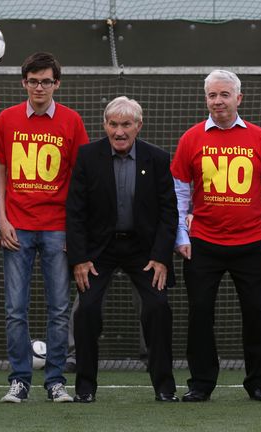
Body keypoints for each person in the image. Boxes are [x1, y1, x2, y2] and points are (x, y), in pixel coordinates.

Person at [171, 70, 261, 402]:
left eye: (224, 94)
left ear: (239, 98)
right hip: (203, 244)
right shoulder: (191, 139)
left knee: (257, 313)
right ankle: (201, 383)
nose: (218, 101)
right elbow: (179, 194)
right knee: (199, 314)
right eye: (212, 95)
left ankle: (259, 382)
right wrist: (181, 235)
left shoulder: (260, 138)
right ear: (205, 98)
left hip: (252, 242)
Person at [66, 96, 178, 403]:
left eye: (126, 124)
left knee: (157, 307)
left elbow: (169, 213)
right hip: (98, 250)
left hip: (144, 250)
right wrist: (79, 260)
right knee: (87, 309)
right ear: (105, 125)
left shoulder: (156, 158)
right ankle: (85, 388)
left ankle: (165, 388)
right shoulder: (87, 156)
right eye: (113, 124)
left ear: (138, 126)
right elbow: (75, 213)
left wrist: (160, 258)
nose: (119, 131)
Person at [0, 51, 88, 403]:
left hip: (56, 228)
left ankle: (55, 381)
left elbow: (78, 182)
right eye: (33, 81)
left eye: (46, 81)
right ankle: (19, 380)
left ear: (56, 84)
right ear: (24, 83)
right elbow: (0, 173)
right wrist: (1, 219)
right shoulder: (5, 119)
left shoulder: (72, 121)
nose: (39, 87)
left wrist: (73, 232)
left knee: (59, 308)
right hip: (17, 227)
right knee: (15, 309)